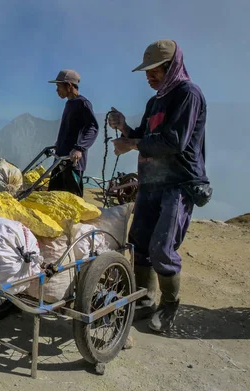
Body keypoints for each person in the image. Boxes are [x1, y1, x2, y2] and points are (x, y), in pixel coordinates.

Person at [108, 39, 210, 333]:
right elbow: (144, 135)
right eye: (147, 71)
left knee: (162, 247)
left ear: (172, 67)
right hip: (151, 181)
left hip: (178, 183)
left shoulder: (188, 95)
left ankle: (168, 306)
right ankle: (145, 299)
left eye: (155, 70)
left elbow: (174, 142)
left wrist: (131, 144)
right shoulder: (155, 102)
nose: (149, 76)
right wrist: (125, 127)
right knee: (139, 239)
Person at [47, 69, 99, 197]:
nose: (57, 90)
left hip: (73, 162)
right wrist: (59, 143)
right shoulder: (69, 104)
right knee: (54, 196)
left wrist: (79, 148)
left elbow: (92, 127)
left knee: (73, 199)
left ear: (69, 85)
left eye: (59, 86)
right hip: (61, 158)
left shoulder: (83, 103)